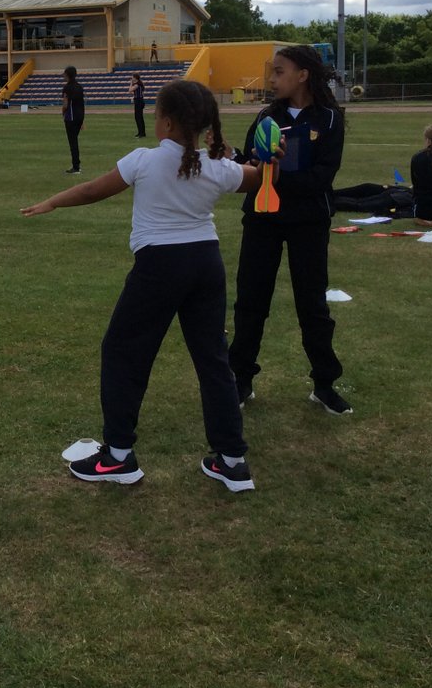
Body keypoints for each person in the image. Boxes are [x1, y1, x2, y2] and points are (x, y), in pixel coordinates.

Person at [22, 80, 272, 492]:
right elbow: (257, 179)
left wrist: (53, 201)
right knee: (213, 361)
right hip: (206, 263)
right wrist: (259, 158)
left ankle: (118, 456)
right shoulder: (218, 167)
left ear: (168, 122)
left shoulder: (144, 160)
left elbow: (91, 190)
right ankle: (232, 461)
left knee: (123, 353)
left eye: (156, 115)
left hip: (160, 266)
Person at [228, 45, 351, 415]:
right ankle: (241, 380)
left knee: (312, 304)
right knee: (251, 301)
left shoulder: (329, 120)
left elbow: (322, 177)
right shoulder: (268, 116)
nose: (272, 78)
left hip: (308, 223)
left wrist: (278, 178)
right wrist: (231, 155)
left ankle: (325, 384)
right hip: (263, 219)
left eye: (279, 71)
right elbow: (251, 162)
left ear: (302, 75)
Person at [410, 124, 432, 223]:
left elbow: (416, 185)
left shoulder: (418, 157)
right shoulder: (420, 157)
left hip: (423, 211)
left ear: (427, 139)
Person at [61, 65, 85, 174]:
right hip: (80, 116)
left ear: (68, 75)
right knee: (74, 140)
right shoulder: (79, 87)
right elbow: (80, 104)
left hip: (71, 117)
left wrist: (62, 112)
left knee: (73, 142)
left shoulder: (67, 87)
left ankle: (76, 167)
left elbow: (66, 104)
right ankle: (77, 165)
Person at [128, 72, 146, 138]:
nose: (132, 78)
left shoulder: (137, 85)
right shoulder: (139, 84)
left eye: (132, 77)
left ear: (135, 78)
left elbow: (130, 90)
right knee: (140, 117)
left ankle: (141, 133)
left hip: (138, 101)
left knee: (138, 117)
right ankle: (142, 132)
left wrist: (130, 83)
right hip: (139, 101)